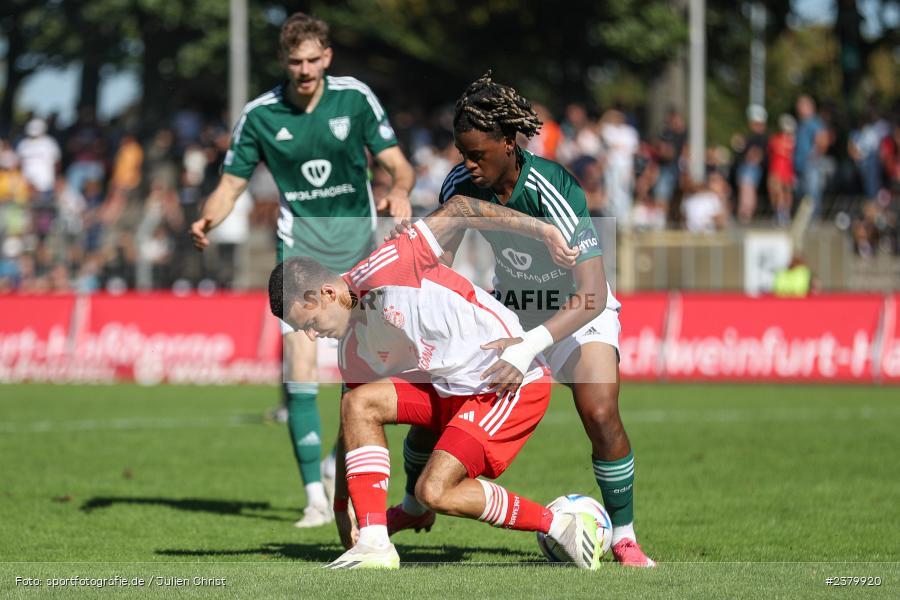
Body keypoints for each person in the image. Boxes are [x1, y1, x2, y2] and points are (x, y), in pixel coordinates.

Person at [390, 73, 655, 567]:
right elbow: (438, 267)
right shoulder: (460, 185)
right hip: (507, 308)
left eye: (477, 154)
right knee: (436, 396)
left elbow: (593, 294)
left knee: (599, 411)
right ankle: (415, 507)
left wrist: (528, 345)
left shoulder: (554, 187)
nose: (467, 165)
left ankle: (623, 535)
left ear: (509, 143)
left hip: (575, 311)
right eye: (461, 153)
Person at [268, 215, 603, 570]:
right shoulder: (351, 349)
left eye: (309, 323)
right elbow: (349, 424)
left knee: (435, 491)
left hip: (504, 380)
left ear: (326, 294)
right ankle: (373, 542)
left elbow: (461, 208)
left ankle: (562, 525)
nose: (310, 335)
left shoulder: (388, 264)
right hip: (450, 389)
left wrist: (545, 231)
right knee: (358, 402)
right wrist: (339, 507)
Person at [189, 11, 415, 528]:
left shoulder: (354, 98)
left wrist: (399, 190)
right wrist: (207, 216)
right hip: (301, 253)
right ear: (284, 62)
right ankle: (314, 495)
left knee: (363, 373)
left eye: (314, 59)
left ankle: (340, 465)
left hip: (361, 251)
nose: (306, 69)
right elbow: (231, 184)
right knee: (300, 361)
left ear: (327, 58)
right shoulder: (261, 115)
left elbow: (398, 164)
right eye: (296, 61)